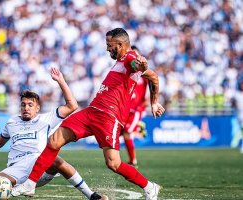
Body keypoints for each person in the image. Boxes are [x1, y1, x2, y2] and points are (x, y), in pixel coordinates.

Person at [12, 28, 165, 200]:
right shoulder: (121, 60)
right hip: (92, 111)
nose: (107, 48)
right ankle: (30, 184)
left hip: (109, 117)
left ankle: (149, 186)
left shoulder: (130, 59)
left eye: (110, 45)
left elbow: (151, 75)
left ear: (121, 45)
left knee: (113, 163)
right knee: (54, 141)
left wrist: (152, 99)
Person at [0, 68, 108, 200]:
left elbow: (72, 105)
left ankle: (92, 196)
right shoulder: (12, 122)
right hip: (16, 167)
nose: (26, 108)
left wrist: (61, 81)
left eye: (30, 105)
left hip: (39, 165)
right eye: (23, 105)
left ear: (37, 108)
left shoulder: (46, 119)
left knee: (56, 159)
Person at [122, 45, 149, 168]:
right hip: (125, 109)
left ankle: (133, 161)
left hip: (136, 110)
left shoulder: (144, 72)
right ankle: (138, 128)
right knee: (121, 133)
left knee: (127, 132)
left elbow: (151, 88)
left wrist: (148, 102)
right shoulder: (127, 71)